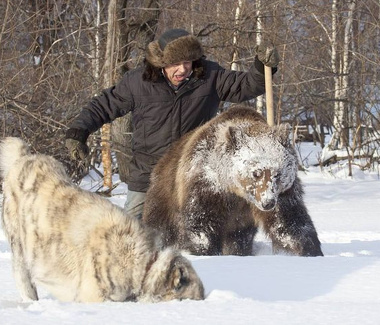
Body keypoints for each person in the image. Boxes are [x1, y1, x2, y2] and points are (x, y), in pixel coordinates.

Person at [65, 28, 280, 219]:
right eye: (175, 64)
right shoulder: (138, 82)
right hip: (147, 174)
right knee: (133, 235)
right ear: (160, 63)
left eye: (187, 62)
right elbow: (103, 105)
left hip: (192, 174)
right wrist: (78, 132)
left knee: (196, 236)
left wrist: (262, 68)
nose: (182, 69)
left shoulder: (210, 77)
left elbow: (247, 85)